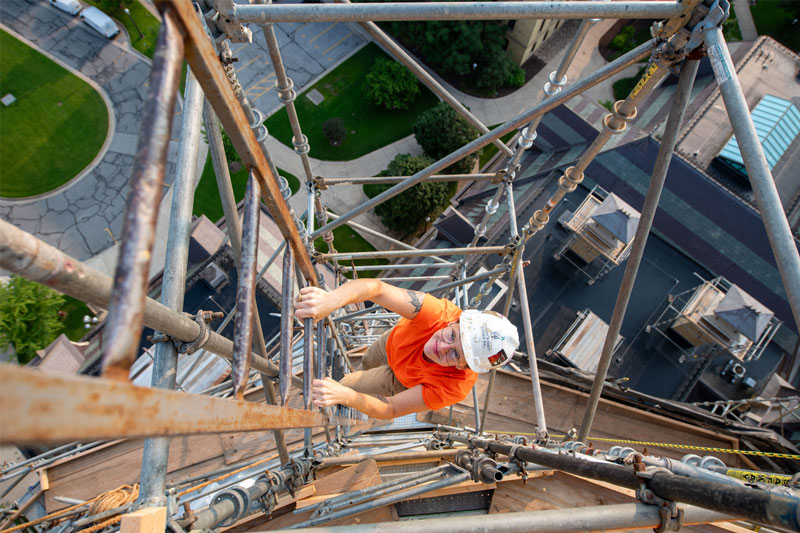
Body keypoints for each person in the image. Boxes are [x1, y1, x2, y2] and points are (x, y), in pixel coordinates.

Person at [294, 279, 519, 420]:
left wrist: (347, 396)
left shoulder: (453, 387)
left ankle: (348, 396)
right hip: (392, 342)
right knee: (366, 364)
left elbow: (390, 410)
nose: (441, 346)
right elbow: (377, 289)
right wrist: (331, 300)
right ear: (455, 322)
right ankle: (359, 383)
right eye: (452, 335)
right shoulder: (439, 313)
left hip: (402, 381)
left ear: (464, 367)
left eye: (455, 354)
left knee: (346, 386)